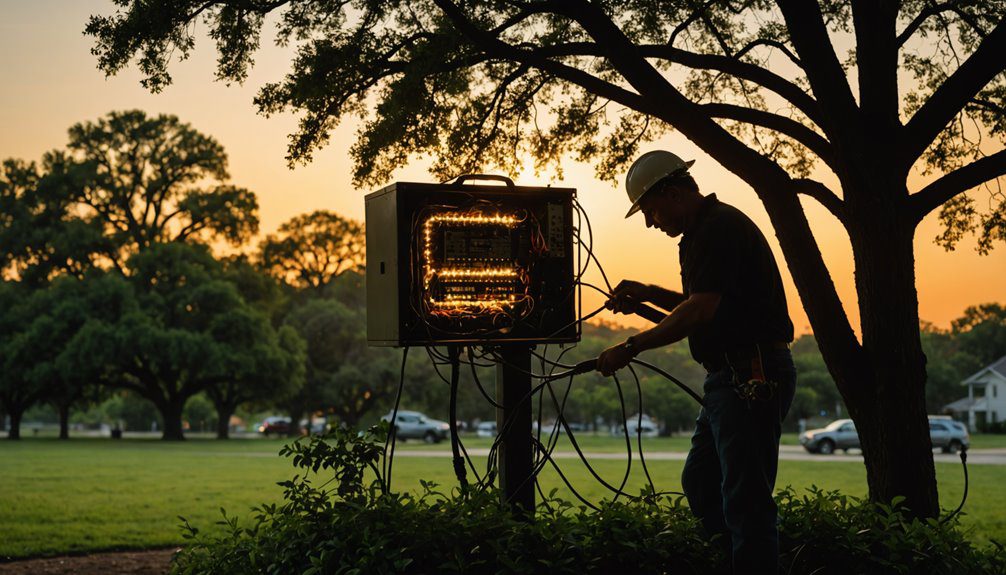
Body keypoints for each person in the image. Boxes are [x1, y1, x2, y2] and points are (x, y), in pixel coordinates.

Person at [596, 150, 796, 575]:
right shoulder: (710, 227)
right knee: (702, 483)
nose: (651, 222)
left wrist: (628, 348)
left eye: (650, 210)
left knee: (747, 502)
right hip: (731, 378)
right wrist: (650, 292)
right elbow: (706, 302)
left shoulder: (715, 230)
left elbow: (699, 311)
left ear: (672, 193)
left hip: (750, 375)